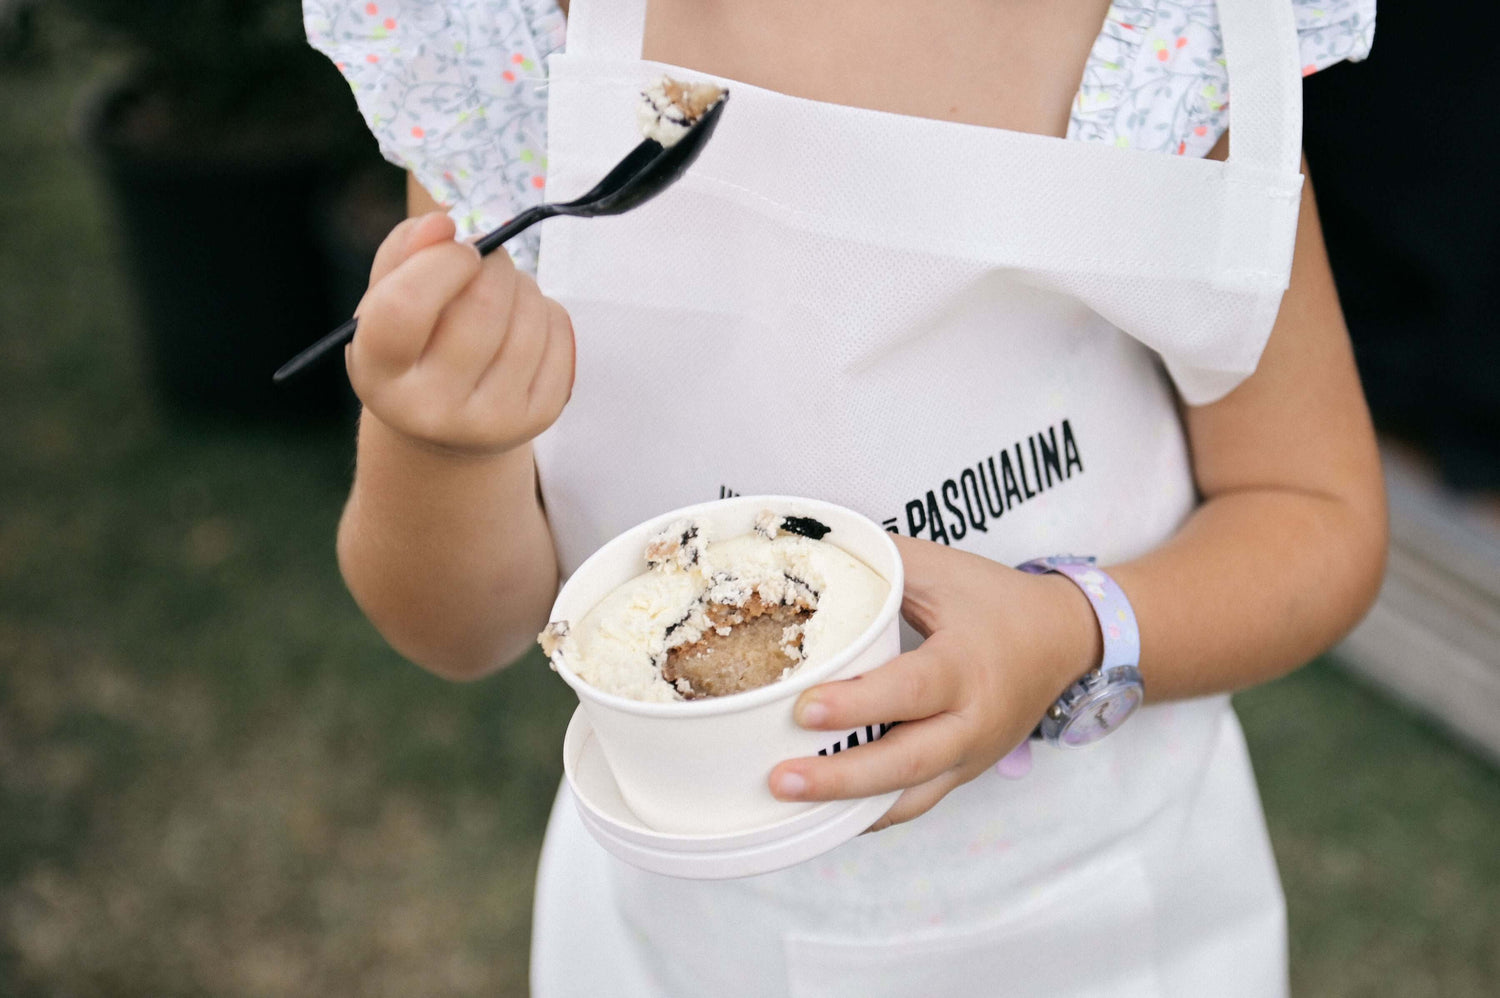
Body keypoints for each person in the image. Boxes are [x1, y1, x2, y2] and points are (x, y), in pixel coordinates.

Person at [305, 0, 1384, 994]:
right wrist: (437, 446)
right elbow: (462, 631)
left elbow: (1311, 506)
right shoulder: (522, 41)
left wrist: (1068, 632)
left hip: (1113, 912)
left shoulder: (1168, 36)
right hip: (687, 943)